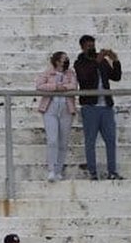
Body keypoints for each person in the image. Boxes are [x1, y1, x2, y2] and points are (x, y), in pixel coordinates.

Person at [74, 34, 124, 180]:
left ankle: (112, 171)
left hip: (106, 106)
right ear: (82, 47)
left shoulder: (101, 61)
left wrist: (115, 60)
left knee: (110, 140)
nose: (92, 47)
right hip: (90, 106)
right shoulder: (79, 63)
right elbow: (84, 78)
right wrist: (97, 61)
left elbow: (115, 76)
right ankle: (92, 172)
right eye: (89, 45)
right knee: (90, 141)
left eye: (93, 45)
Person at [36, 51, 78, 182]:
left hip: (66, 107)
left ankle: (59, 170)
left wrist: (63, 87)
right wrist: (55, 87)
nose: (66, 61)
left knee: (63, 141)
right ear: (57, 60)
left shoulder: (70, 73)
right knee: (52, 139)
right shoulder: (48, 72)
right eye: (63, 59)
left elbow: (74, 86)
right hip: (50, 108)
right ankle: (51, 170)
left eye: (66, 59)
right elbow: (39, 85)